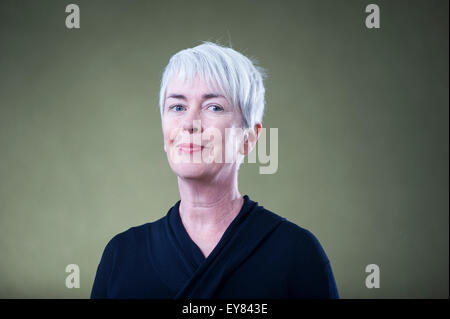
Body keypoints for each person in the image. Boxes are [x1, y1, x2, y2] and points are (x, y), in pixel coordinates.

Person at [90, 41, 339, 299]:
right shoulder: (121, 256)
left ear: (249, 138)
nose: (189, 123)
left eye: (214, 107)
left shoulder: (296, 254)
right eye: (178, 107)